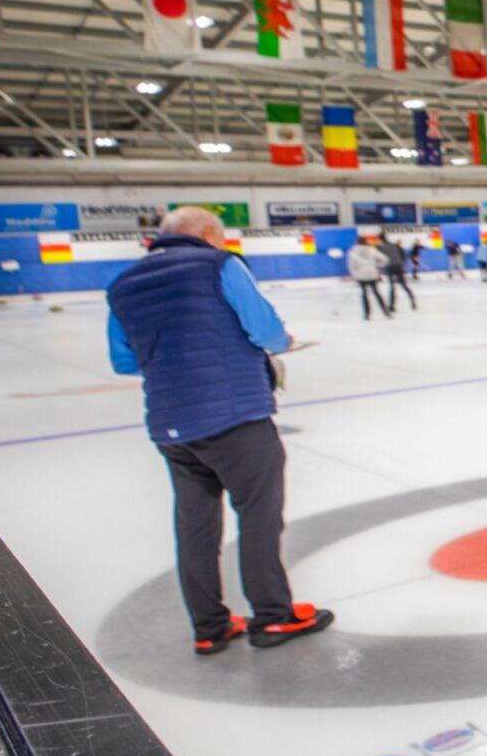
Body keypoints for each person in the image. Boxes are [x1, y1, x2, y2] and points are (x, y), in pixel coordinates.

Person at [104, 207, 334, 655]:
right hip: (234, 415)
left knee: (195, 527)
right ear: (209, 234)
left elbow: (124, 361)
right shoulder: (221, 264)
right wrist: (284, 343)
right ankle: (273, 618)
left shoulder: (123, 284)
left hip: (172, 427)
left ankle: (209, 626)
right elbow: (265, 331)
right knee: (259, 514)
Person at [348, 238, 392, 319]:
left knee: (364, 293)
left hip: (361, 275)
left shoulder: (352, 252)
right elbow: (385, 259)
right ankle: (386, 311)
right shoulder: (372, 250)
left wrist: (355, 275)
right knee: (376, 292)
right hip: (372, 273)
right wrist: (377, 266)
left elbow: (351, 266)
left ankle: (367, 314)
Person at [381, 238, 418, 312]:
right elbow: (403, 257)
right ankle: (412, 301)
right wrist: (401, 264)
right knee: (403, 286)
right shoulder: (396, 247)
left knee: (393, 287)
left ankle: (392, 305)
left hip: (392, 268)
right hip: (398, 268)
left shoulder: (385, 248)